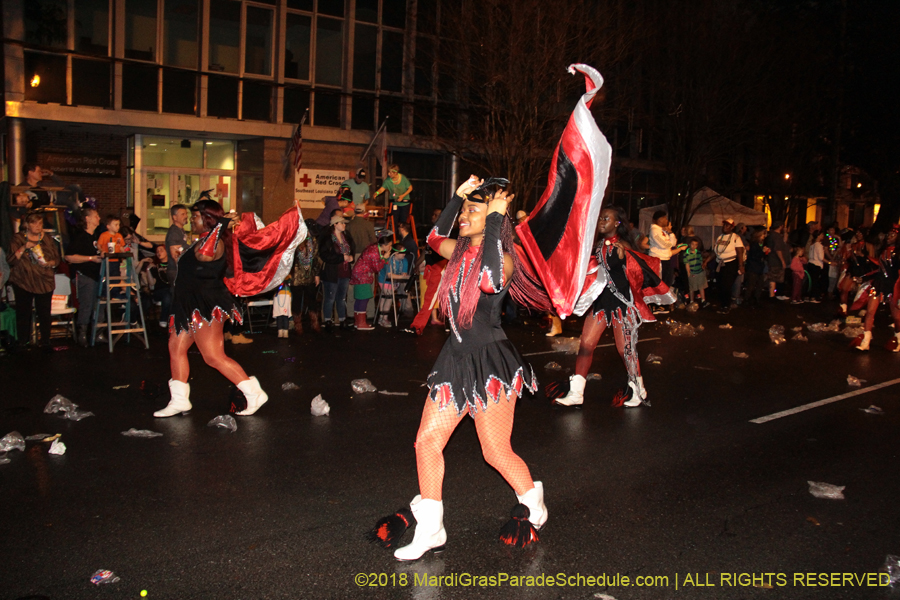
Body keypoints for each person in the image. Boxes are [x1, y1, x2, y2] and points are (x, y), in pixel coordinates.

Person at [368, 176, 545, 561]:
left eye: (473, 211)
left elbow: (490, 279)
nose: (464, 216)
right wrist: (456, 197)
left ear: (494, 217)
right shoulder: (458, 251)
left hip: (491, 364)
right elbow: (432, 238)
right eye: (466, 210)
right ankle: (432, 529)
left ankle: (533, 498)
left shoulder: (503, 258)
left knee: (495, 451)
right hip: (454, 359)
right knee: (426, 441)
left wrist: (498, 219)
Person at [153, 200, 268, 418]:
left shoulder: (216, 242)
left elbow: (204, 256)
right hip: (187, 304)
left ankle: (254, 393)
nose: (191, 220)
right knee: (175, 347)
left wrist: (221, 225)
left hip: (205, 306)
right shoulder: (204, 239)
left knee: (213, 356)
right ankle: (179, 400)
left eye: (195, 216)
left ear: (207, 219)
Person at [554, 205, 674, 408]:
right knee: (585, 346)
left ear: (617, 223)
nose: (601, 222)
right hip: (601, 304)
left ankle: (638, 390)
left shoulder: (622, 246)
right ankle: (576, 393)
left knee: (625, 350)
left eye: (606, 219)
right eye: (600, 218)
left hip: (622, 305)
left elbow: (624, 270)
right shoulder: (600, 243)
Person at [7, 211, 61, 350]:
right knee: (23, 312)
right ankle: (22, 341)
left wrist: (50, 263)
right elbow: (11, 260)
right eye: (34, 223)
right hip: (23, 281)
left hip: (44, 281)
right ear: (27, 225)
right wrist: (24, 247)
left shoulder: (47, 239)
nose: (38, 226)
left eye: (40, 223)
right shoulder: (18, 238)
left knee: (44, 312)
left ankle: (45, 341)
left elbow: (57, 258)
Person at [850, 226, 900, 352]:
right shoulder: (883, 251)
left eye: (892, 235)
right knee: (870, 312)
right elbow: (880, 270)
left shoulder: (898, 254)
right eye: (888, 235)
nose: (889, 237)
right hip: (878, 284)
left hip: (892, 287)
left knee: (897, 317)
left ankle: (898, 338)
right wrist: (864, 277)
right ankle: (866, 341)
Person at [406, 209, 449, 335]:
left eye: (436, 215)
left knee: (441, 300)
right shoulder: (434, 232)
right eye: (433, 214)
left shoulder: (446, 231)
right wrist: (417, 264)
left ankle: (418, 325)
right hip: (434, 269)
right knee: (430, 300)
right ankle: (417, 326)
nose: (433, 217)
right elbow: (427, 250)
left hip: (441, 269)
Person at [64, 207, 103, 345]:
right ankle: (82, 335)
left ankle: (97, 333)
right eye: (96, 215)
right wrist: (91, 258)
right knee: (86, 304)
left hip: (96, 275)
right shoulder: (80, 236)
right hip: (84, 275)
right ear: (87, 218)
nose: (99, 218)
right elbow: (69, 257)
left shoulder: (95, 237)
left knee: (99, 304)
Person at [350, 231, 393, 330]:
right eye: (389, 245)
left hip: (360, 274)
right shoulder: (374, 252)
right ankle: (361, 323)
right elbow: (377, 268)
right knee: (363, 298)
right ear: (384, 245)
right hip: (362, 275)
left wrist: (383, 258)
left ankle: (358, 322)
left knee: (360, 298)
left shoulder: (374, 248)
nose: (390, 247)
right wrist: (384, 258)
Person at [318, 214, 353, 331]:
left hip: (344, 271)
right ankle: (328, 320)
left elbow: (352, 248)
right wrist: (341, 258)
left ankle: (342, 319)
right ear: (335, 224)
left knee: (341, 297)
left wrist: (350, 256)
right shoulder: (328, 239)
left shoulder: (346, 237)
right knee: (330, 297)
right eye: (342, 223)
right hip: (332, 272)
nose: (344, 225)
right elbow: (324, 255)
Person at [290, 220, 321, 334]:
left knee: (312, 299)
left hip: (310, 275)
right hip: (296, 277)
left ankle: (315, 323)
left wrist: (317, 274)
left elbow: (316, 258)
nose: (311, 234)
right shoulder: (295, 242)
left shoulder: (313, 241)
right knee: (297, 301)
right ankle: (298, 325)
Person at [713, 218, 744, 313]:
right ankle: (723, 304)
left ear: (732, 227)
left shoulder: (736, 238)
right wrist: (706, 261)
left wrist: (740, 265)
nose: (725, 227)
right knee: (720, 284)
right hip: (720, 263)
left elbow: (740, 252)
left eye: (727, 225)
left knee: (726, 285)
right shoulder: (720, 237)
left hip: (730, 263)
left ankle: (726, 305)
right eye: (724, 225)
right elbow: (715, 251)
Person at [648, 210, 682, 291]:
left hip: (666, 259)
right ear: (660, 220)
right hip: (658, 260)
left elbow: (673, 243)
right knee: (659, 283)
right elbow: (663, 245)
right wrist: (669, 243)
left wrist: (670, 232)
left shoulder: (662, 230)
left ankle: (663, 301)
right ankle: (657, 302)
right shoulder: (654, 230)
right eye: (665, 218)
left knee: (667, 282)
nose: (667, 220)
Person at [742, 229, 768, 307]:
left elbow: (761, 256)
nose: (764, 236)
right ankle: (746, 299)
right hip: (753, 267)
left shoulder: (761, 244)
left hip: (759, 267)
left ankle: (756, 298)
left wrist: (765, 252)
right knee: (751, 284)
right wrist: (762, 252)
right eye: (763, 234)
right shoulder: (754, 244)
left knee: (760, 284)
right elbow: (754, 256)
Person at [764, 221, 789, 300]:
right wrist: (782, 261)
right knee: (774, 278)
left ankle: (774, 294)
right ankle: (772, 295)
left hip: (773, 260)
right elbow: (778, 249)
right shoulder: (776, 236)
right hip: (775, 261)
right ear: (780, 226)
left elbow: (784, 241)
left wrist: (785, 232)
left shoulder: (772, 235)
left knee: (774, 277)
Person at [683, 237, 708, 307]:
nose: (694, 246)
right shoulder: (686, 254)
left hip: (699, 272)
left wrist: (703, 268)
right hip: (692, 272)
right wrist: (689, 274)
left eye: (695, 245)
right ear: (689, 244)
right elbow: (687, 264)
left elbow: (701, 262)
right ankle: (691, 301)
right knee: (692, 288)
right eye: (692, 244)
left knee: (701, 286)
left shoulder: (698, 253)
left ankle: (703, 300)